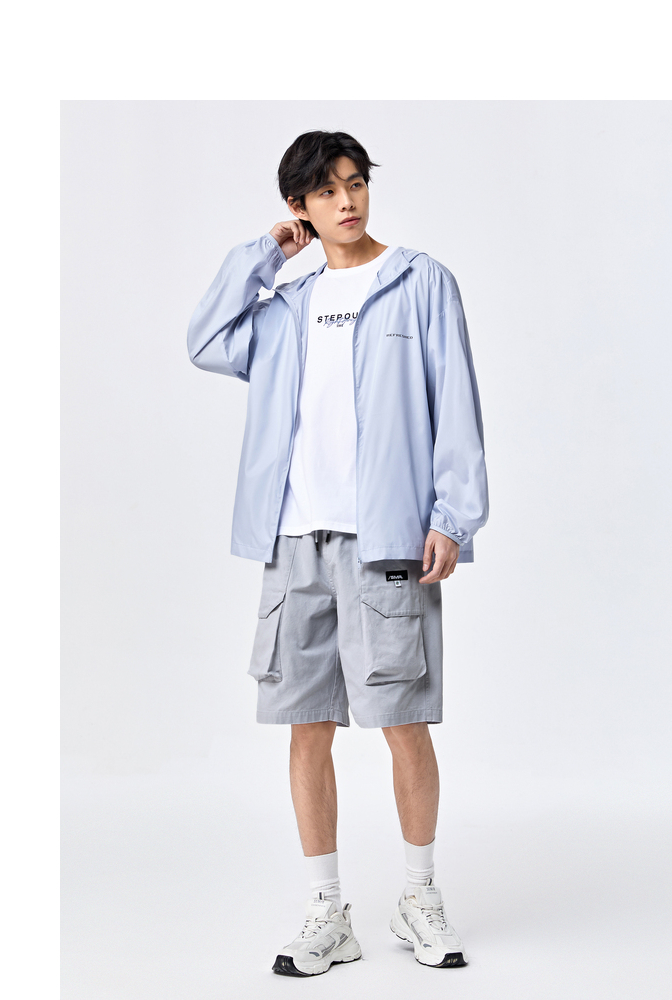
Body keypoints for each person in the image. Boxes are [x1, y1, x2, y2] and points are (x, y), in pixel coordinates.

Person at [187, 129, 489, 976]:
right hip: (294, 542)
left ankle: (420, 895)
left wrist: (454, 518)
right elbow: (205, 340)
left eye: (355, 183)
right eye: (326, 191)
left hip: (386, 541)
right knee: (306, 729)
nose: (347, 201)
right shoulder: (285, 303)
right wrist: (264, 255)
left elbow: (456, 402)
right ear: (300, 207)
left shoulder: (420, 282)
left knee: (404, 723)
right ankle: (328, 910)